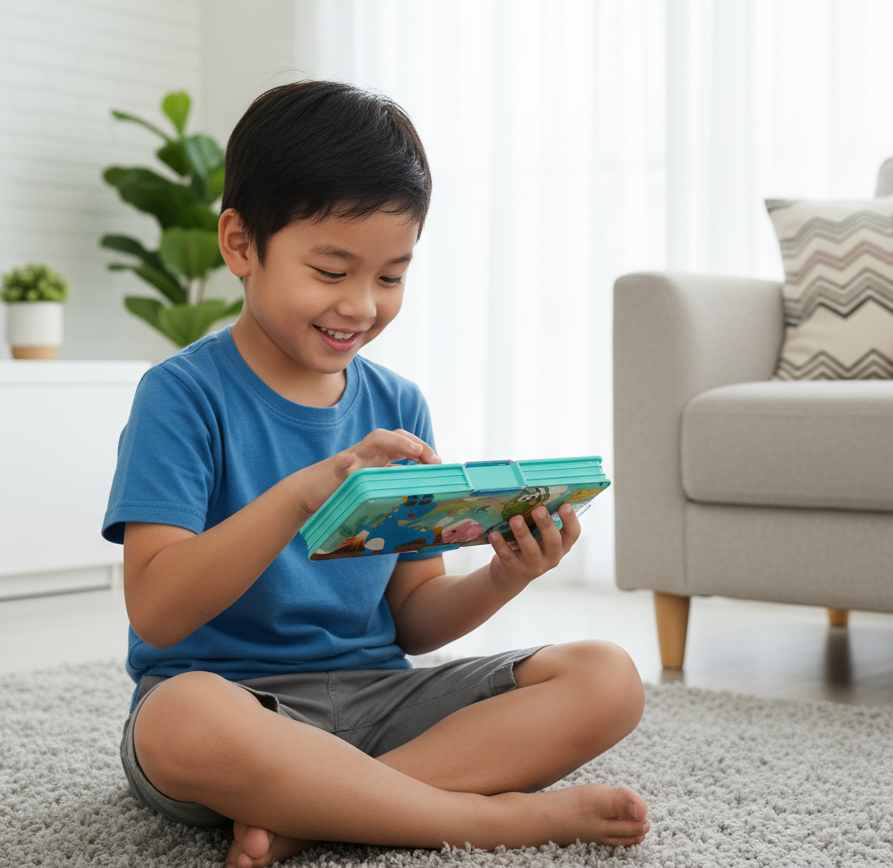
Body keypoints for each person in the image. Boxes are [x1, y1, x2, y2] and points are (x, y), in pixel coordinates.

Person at [102, 81, 649, 868]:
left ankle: (315, 814)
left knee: (607, 678)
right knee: (178, 721)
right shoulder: (181, 396)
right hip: (236, 707)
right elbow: (157, 612)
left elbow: (415, 617)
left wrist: (507, 574)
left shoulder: (399, 405)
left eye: (390, 277)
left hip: (378, 700)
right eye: (331, 272)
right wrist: (304, 493)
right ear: (241, 245)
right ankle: (488, 821)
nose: (362, 306)